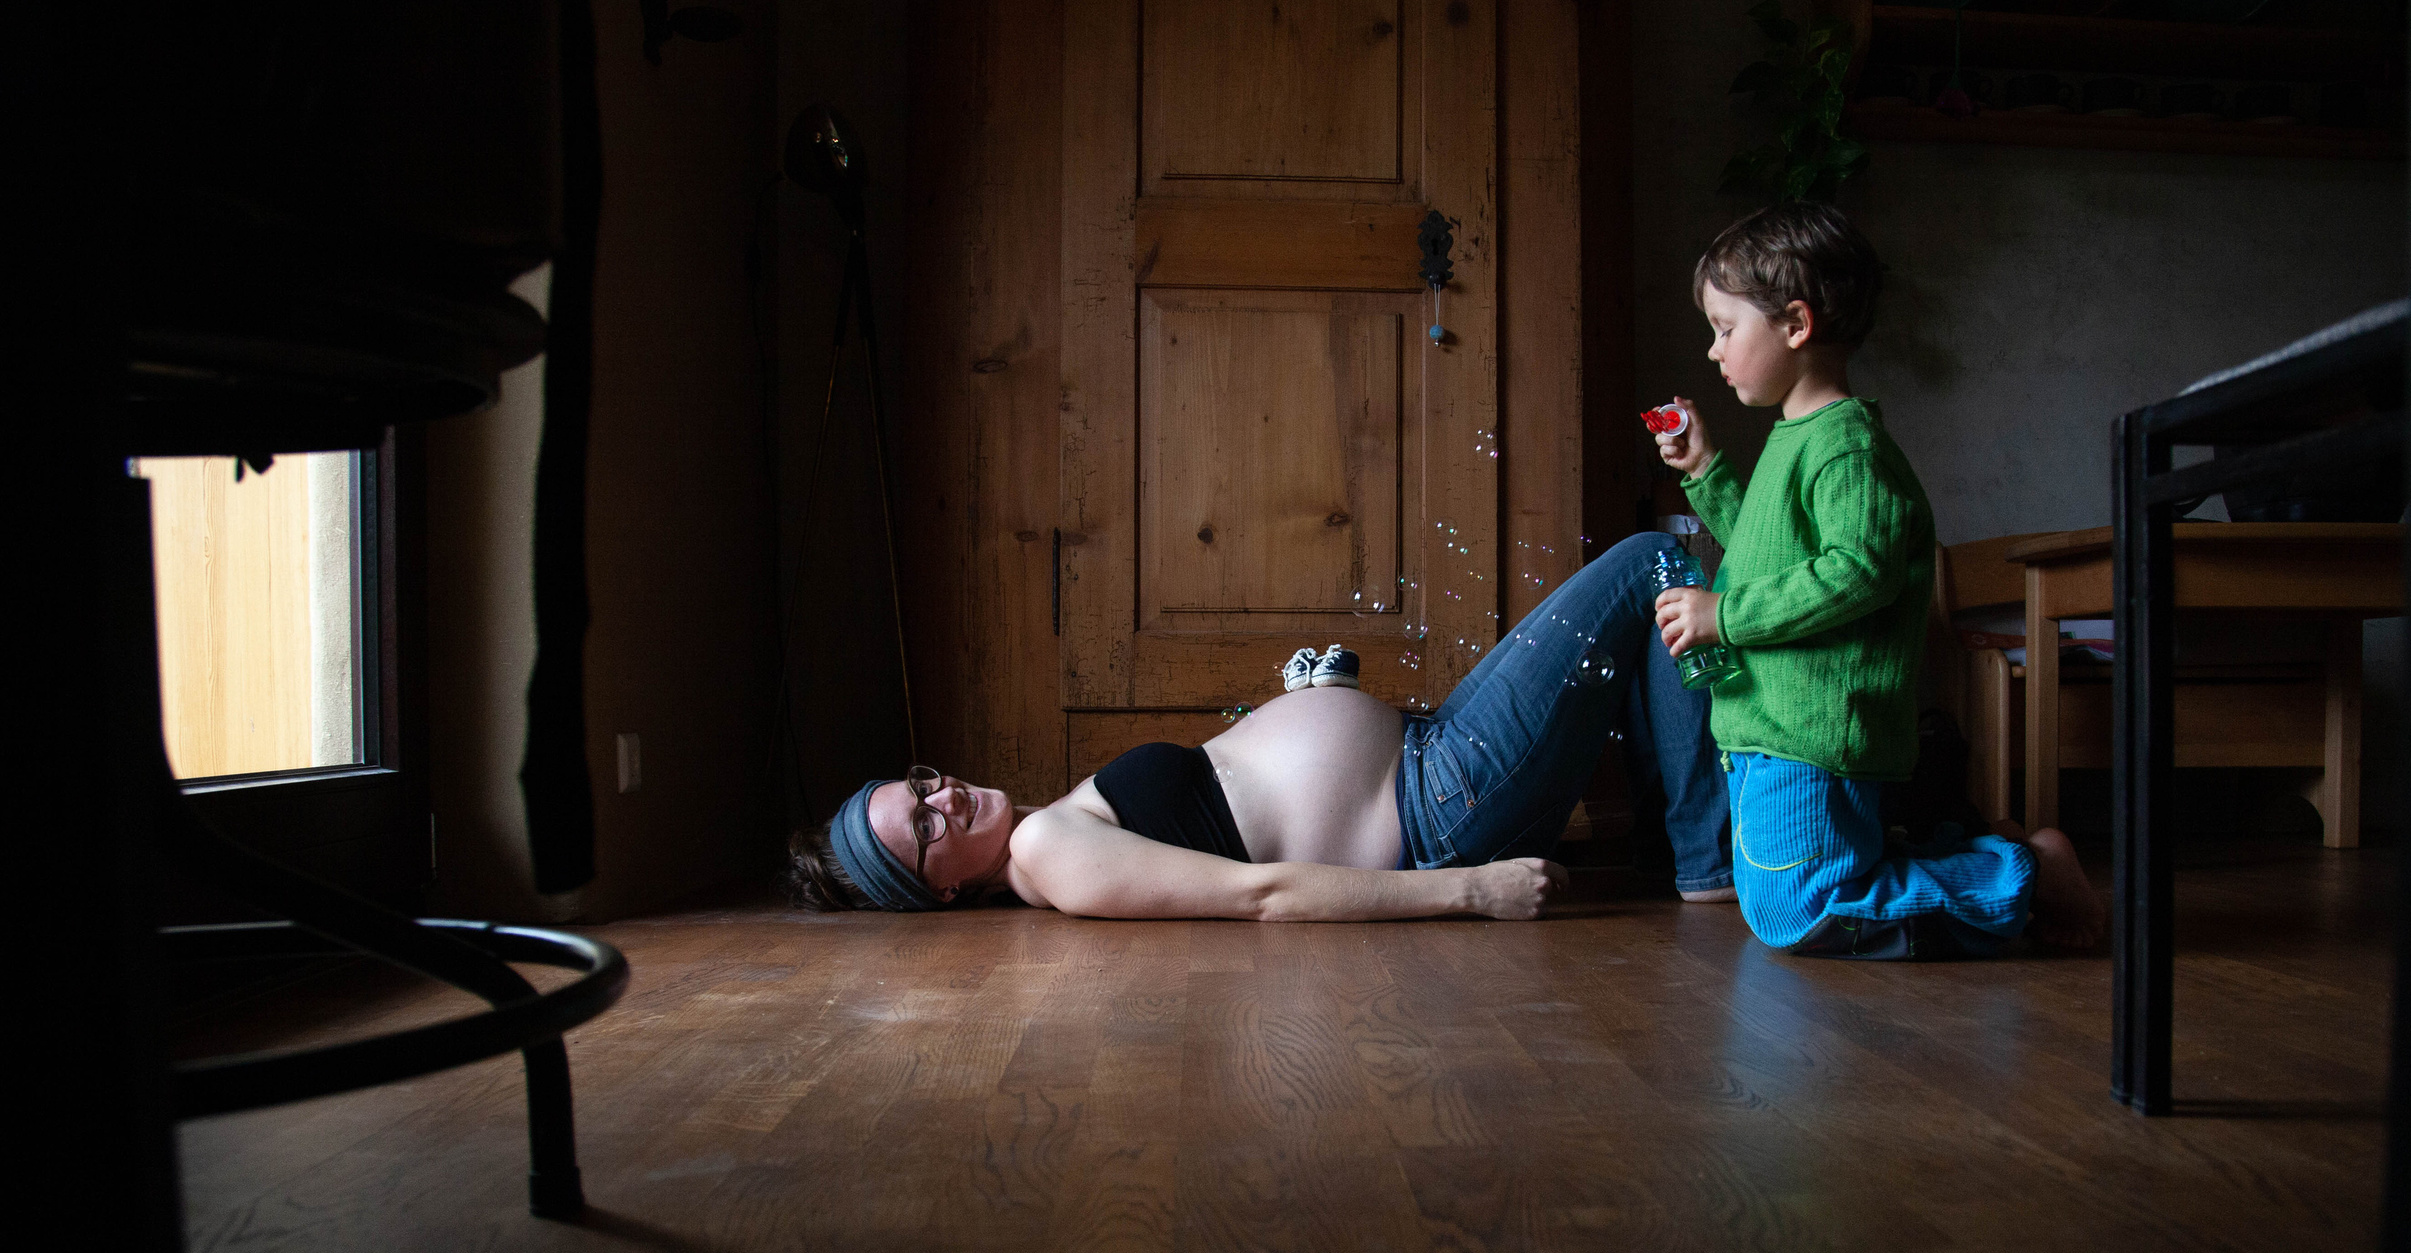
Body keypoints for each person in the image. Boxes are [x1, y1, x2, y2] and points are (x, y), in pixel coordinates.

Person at [785, 538, 1738, 922]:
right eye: (928, 830)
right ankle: (1705, 864)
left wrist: (1306, 702)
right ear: (940, 893)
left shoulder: (1053, 827)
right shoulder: (1044, 850)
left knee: (1640, 617)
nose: (943, 798)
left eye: (919, 787)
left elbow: (1238, 805)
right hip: (1439, 807)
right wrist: (1468, 892)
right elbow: (1260, 895)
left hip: (1427, 758)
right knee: (1657, 562)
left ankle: (1686, 850)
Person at [1650, 200, 2106, 956]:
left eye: (1727, 328)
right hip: (1774, 733)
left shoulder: (1847, 447)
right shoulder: (1795, 438)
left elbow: (1857, 573)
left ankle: (2021, 875)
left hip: (1810, 738)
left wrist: (1723, 618)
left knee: (1801, 907)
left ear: (1795, 325)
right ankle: (1993, 856)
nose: (1713, 349)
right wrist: (1704, 469)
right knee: (1799, 895)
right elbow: (1774, 557)